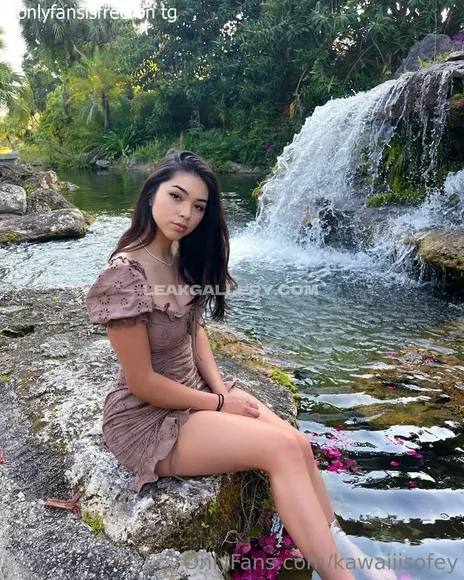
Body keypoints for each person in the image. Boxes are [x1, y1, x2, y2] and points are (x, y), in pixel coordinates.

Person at [85, 150, 395, 580]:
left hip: (196, 395)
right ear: (152, 192)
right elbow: (142, 382)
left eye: (199, 206)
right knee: (279, 449)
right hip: (148, 419)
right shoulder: (123, 276)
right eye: (176, 197)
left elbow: (194, 331)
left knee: (297, 442)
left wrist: (220, 389)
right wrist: (218, 404)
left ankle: (340, 545)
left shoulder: (178, 254)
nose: (186, 213)